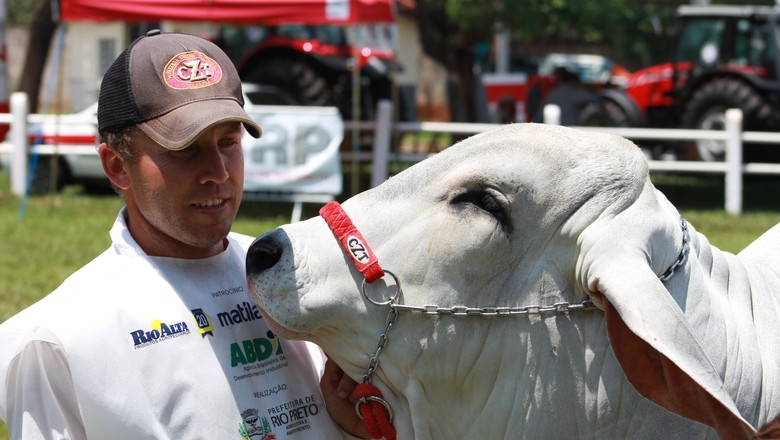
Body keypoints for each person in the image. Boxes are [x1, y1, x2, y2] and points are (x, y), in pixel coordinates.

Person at [0, 30, 366, 439]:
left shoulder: (301, 279)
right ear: (118, 165)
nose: (219, 173)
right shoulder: (56, 340)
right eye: (184, 150)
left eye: (228, 142)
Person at [535, 66, 601, 126]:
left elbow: (538, 116)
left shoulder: (551, 93)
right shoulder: (573, 93)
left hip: (550, 130)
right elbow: (595, 98)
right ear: (573, 82)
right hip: (569, 131)